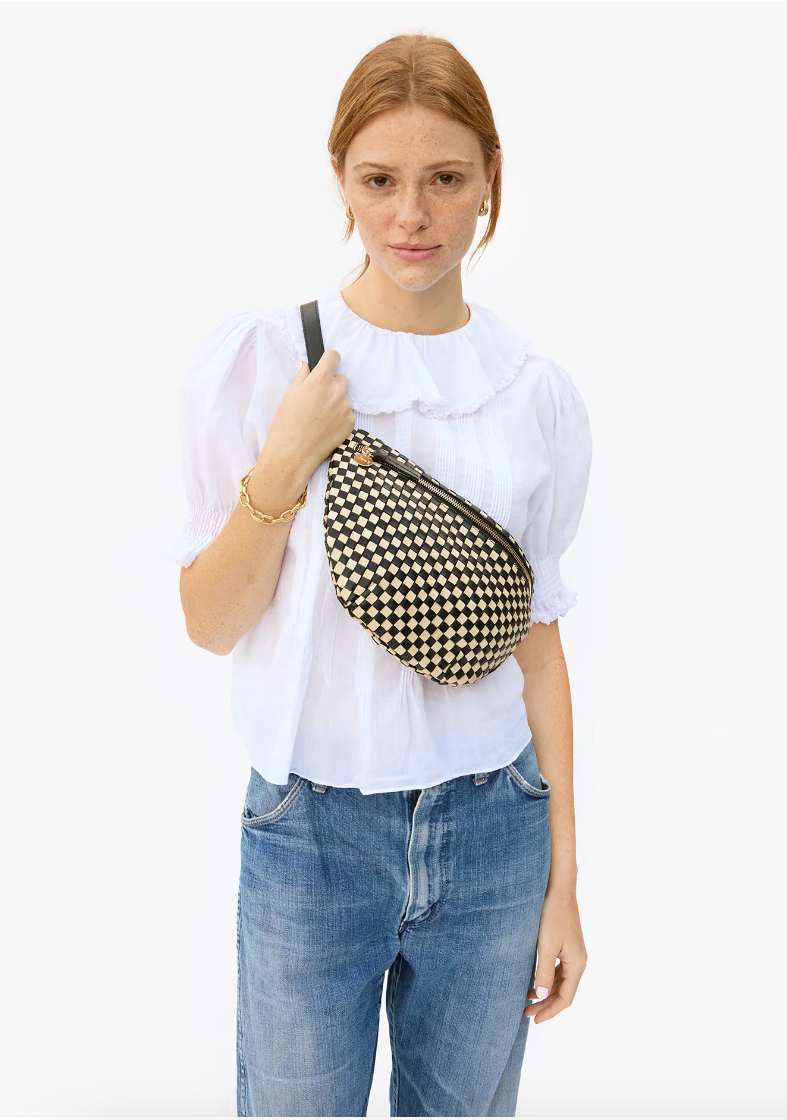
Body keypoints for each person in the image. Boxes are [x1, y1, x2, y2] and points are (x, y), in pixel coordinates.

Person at [165, 31, 593, 1119]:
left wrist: (562, 880)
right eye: (381, 181)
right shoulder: (266, 361)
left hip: (494, 828)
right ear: (341, 184)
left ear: (490, 181)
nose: (413, 213)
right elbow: (210, 622)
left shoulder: (533, 394)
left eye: (446, 179)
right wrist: (282, 460)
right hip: (311, 834)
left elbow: (537, 645)